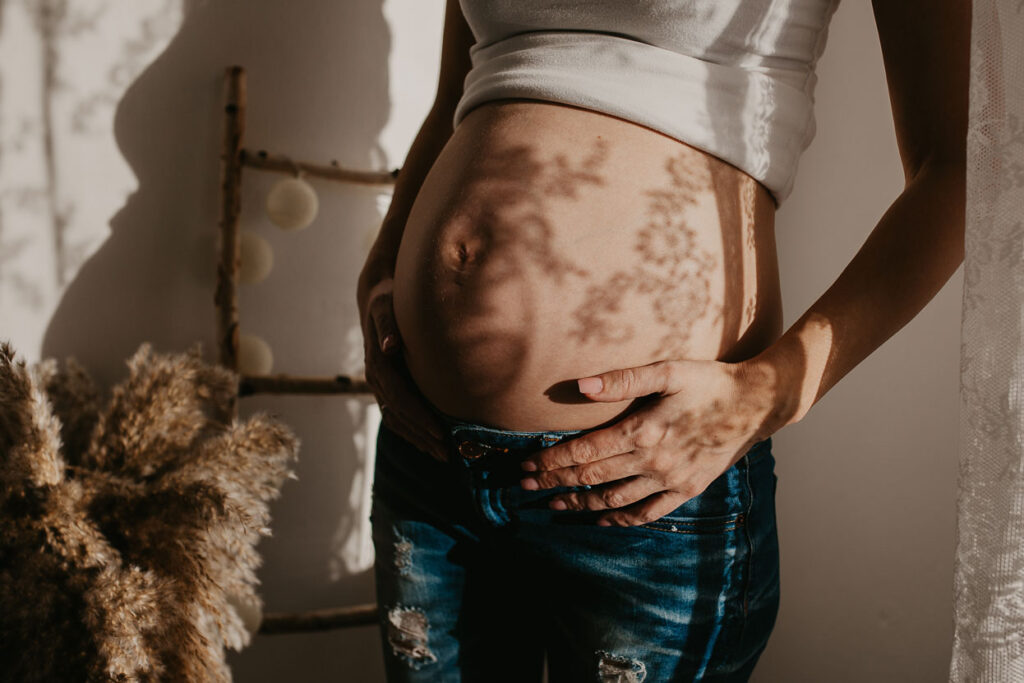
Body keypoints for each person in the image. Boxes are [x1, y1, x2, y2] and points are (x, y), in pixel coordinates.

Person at [356, 1, 968, 680]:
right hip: (429, 457)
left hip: (645, 487)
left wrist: (771, 393)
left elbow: (959, 173)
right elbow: (458, 91)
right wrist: (386, 264)